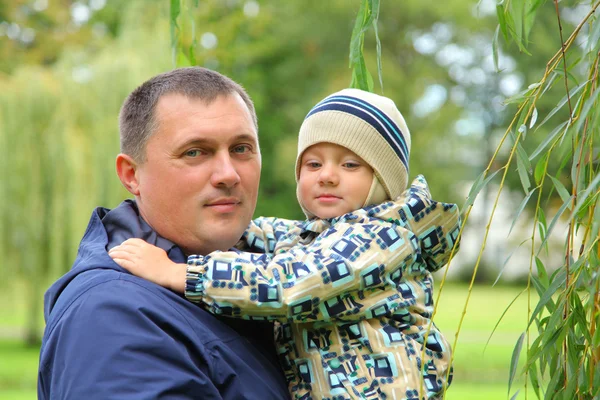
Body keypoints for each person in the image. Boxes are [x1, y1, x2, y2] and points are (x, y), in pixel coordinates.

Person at [109, 88, 461, 399]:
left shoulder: (382, 240)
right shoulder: (319, 236)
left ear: (384, 180)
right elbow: (266, 234)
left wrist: (181, 272)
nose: (327, 175)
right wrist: (211, 219)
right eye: (313, 163)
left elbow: (291, 283)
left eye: (350, 164)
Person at [37, 67, 290, 399]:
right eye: (195, 152)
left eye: (241, 149)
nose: (228, 174)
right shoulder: (113, 318)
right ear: (131, 175)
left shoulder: (273, 275)